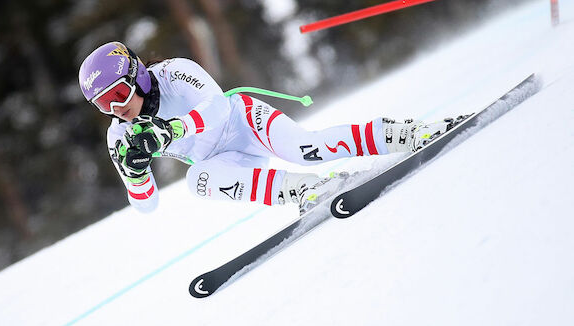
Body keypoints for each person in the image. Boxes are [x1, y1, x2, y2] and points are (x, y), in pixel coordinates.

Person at [78, 41, 450, 214]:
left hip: (242, 123)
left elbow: (218, 108)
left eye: (120, 93)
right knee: (198, 182)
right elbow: (147, 206)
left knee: (306, 149)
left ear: (139, 77)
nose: (117, 108)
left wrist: (172, 130)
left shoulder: (175, 73)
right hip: (222, 160)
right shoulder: (120, 136)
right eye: (103, 105)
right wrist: (136, 174)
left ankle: (404, 133)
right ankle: (306, 192)